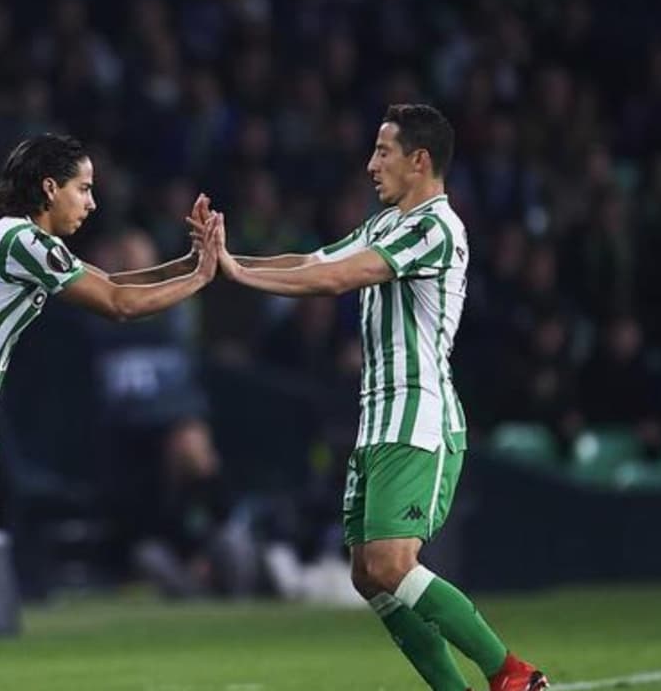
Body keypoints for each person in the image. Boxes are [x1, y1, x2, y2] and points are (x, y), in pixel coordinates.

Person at [210, 104, 548, 691]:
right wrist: (227, 262)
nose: (370, 165)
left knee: (392, 563)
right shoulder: (385, 224)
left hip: (418, 415)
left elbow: (337, 279)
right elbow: (313, 261)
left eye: (383, 152)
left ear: (420, 160)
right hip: (378, 416)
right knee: (368, 574)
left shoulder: (435, 226)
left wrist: (240, 277)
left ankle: (511, 674)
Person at [0, 133, 221, 691]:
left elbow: (110, 282)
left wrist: (187, 264)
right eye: (82, 189)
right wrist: (200, 279)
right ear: (48, 188)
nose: (91, 202)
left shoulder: (12, 238)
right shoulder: (23, 241)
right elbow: (117, 304)